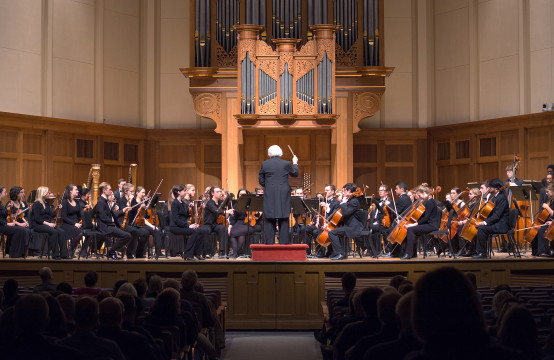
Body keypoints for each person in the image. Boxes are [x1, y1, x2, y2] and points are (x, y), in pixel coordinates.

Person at [258, 145, 299, 245]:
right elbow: (295, 173)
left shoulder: (265, 164)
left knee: (269, 218)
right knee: (284, 217)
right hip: (283, 193)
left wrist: (269, 186)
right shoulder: (286, 163)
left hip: (269, 192)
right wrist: (295, 162)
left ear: (269, 153)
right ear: (280, 153)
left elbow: (261, 180)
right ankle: (284, 244)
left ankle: (269, 245)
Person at [401, 185, 441, 260]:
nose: (418, 197)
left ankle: (409, 253)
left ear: (423, 193)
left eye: (419, 195)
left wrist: (414, 224)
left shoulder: (430, 202)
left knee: (411, 229)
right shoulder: (428, 201)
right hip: (429, 224)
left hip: (432, 225)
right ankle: (412, 254)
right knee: (412, 231)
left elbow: (426, 218)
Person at [93, 182, 131, 260]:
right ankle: (111, 251)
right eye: (109, 189)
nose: (111, 191)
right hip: (105, 227)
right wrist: (113, 223)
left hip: (109, 225)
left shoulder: (105, 201)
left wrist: (117, 223)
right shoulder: (100, 202)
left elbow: (112, 214)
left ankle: (111, 251)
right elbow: (103, 217)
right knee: (127, 235)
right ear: (104, 190)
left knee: (127, 235)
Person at [473, 179, 510, 259]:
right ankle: (476, 251)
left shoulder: (502, 198)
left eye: (490, 187)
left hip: (501, 224)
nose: (489, 189)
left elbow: (497, 215)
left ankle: (482, 253)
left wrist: (484, 223)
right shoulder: (495, 197)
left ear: (496, 188)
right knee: (479, 227)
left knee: (482, 229)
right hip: (496, 222)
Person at [170, 184, 207, 261]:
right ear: (179, 192)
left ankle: (197, 253)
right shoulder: (175, 203)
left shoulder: (183, 203)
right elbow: (176, 220)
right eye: (184, 191)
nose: (185, 192)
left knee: (201, 231)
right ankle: (188, 254)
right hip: (176, 227)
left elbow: (187, 215)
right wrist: (188, 226)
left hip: (182, 226)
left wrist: (190, 208)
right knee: (194, 232)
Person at [327, 183, 363, 260]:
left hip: (354, 228)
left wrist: (343, 203)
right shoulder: (350, 200)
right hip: (348, 226)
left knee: (332, 233)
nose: (343, 193)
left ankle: (340, 253)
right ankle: (339, 253)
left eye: (344, 191)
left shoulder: (354, 201)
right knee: (335, 232)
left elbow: (346, 213)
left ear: (349, 191)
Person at [31, 186, 68, 259]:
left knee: (61, 231)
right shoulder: (36, 204)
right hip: (38, 225)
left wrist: (58, 209)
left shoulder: (46, 204)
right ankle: (55, 255)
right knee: (54, 232)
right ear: (42, 193)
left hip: (47, 225)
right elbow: (37, 218)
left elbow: (51, 215)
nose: (49, 193)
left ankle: (64, 254)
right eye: (47, 192)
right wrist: (49, 224)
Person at [202, 186, 234, 258]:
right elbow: (216, 211)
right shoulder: (210, 203)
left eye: (220, 191)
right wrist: (227, 211)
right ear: (212, 193)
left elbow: (224, 213)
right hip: (209, 224)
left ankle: (222, 251)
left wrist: (227, 205)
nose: (220, 193)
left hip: (216, 224)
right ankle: (206, 252)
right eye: (217, 192)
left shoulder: (220, 202)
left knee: (224, 229)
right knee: (205, 230)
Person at [0, 186, 29, 258]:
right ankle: (13, 254)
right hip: (2, 226)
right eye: (4, 192)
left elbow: (3, 215)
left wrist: (7, 209)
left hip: (3, 225)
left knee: (21, 230)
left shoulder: (1, 203)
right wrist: (7, 223)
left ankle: (20, 253)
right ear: (0, 193)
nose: (6, 194)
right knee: (18, 230)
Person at [61, 184, 84, 258]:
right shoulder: (65, 202)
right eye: (76, 190)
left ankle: (83, 252)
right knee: (80, 233)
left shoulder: (77, 202)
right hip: (67, 224)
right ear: (70, 191)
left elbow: (80, 215)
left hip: (76, 224)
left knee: (89, 231)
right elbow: (64, 217)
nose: (78, 191)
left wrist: (83, 222)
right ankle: (70, 250)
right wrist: (74, 224)